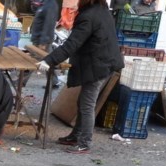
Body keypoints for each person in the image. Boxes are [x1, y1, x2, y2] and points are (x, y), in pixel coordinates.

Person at [36, 0, 124, 154]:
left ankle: (84, 143)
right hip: (103, 62)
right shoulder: (101, 10)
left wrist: (49, 60)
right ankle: (76, 136)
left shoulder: (89, 15)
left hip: (99, 65)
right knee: (83, 102)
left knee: (87, 104)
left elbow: (72, 44)